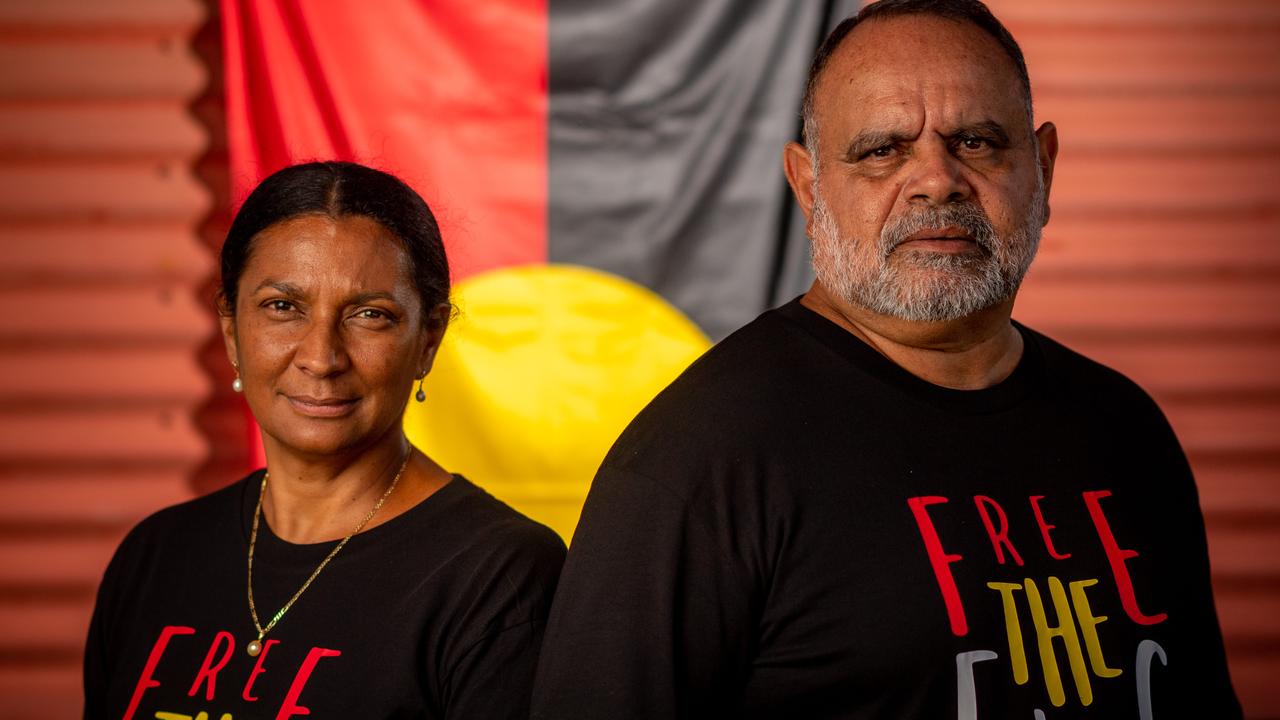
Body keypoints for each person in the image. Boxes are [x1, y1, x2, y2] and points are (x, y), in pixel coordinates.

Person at [531, 1, 1241, 717]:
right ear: (809, 188)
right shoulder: (699, 463)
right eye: (882, 151)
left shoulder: (1126, 429)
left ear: (1044, 170)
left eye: (976, 141)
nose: (937, 180)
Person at [84, 161, 566, 719]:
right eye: (282, 307)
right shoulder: (157, 556)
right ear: (231, 330)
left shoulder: (501, 576)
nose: (321, 358)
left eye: (370, 314)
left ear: (428, 340)